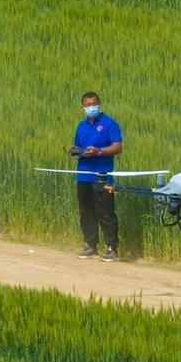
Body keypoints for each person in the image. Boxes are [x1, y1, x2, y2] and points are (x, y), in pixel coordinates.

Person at [72, 92, 122, 261]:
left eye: (94, 104)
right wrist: (74, 150)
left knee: (105, 212)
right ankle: (90, 245)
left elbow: (117, 147)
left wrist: (99, 151)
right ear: (82, 107)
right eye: (87, 105)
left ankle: (111, 247)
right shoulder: (81, 126)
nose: (91, 107)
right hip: (83, 175)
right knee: (86, 212)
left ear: (99, 104)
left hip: (102, 176)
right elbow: (78, 145)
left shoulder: (109, 124)